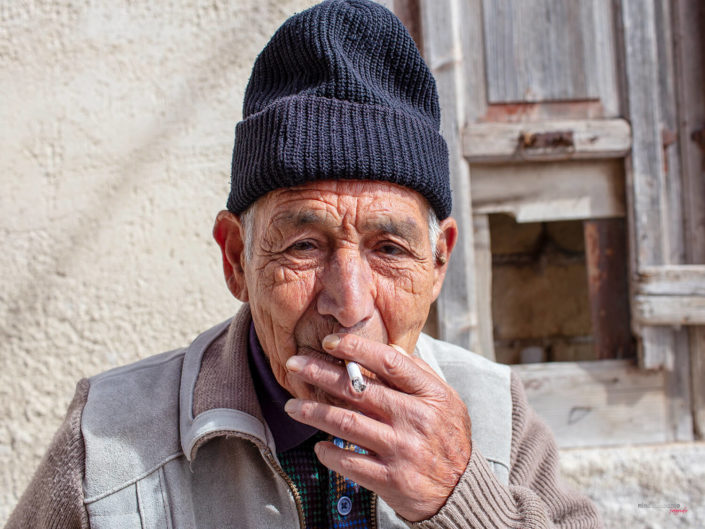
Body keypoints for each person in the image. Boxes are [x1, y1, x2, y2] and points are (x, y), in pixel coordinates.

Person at [6, 1, 602, 528]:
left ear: (438, 262)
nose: (348, 301)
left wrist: (462, 498)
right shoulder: (108, 439)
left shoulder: (497, 414)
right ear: (236, 259)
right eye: (304, 247)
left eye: (389, 249)